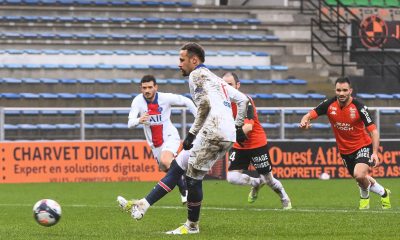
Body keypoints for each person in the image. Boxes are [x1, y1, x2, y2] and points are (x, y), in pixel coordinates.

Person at [117, 42, 249, 234]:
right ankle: (143, 204)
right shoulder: (216, 79)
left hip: (213, 132)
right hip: (221, 132)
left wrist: (191, 133)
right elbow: (243, 100)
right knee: (178, 166)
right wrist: (236, 128)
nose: (179, 64)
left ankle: (192, 226)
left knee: (193, 179)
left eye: (182, 60)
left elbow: (204, 106)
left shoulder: (196, 75)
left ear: (194, 60)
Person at [299, 76, 391, 210]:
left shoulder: (359, 107)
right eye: (338, 90)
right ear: (335, 90)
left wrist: (375, 153)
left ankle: (364, 198)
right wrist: (304, 122)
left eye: (344, 90)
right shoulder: (329, 104)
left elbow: (374, 131)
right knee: (360, 177)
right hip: (345, 151)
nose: (341, 93)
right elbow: (308, 115)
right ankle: (384, 193)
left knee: (359, 175)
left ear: (350, 91)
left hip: (363, 146)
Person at [222, 72, 292, 209]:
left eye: (229, 85)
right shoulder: (222, 103)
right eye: (224, 85)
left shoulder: (245, 101)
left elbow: (248, 127)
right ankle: (255, 183)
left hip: (256, 143)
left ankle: (284, 198)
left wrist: (228, 135)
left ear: (237, 85)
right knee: (232, 178)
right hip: (239, 145)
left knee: (269, 179)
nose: (226, 88)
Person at [127, 74, 197, 204]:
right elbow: (130, 123)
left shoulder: (165, 98)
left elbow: (185, 100)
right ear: (141, 88)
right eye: (144, 88)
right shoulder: (137, 101)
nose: (147, 90)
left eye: (150, 87)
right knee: (167, 169)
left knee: (166, 161)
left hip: (170, 136)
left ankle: (184, 190)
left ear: (156, 87)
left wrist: (198, 117)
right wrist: (139, 120)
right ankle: (186, 183)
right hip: (155, 144)